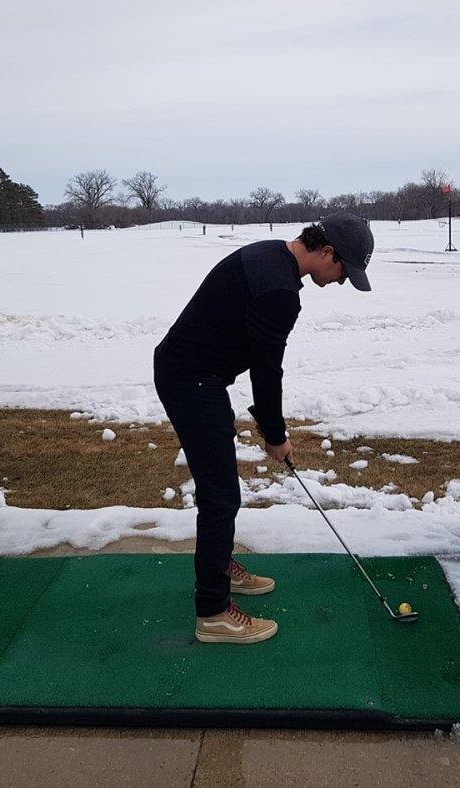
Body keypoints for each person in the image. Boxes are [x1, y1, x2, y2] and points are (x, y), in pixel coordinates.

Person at [154, 212, 374, 644]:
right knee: (221, 496)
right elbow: (267, 371)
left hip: (195, 375)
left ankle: (219, 567)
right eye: (344, 271)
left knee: (221, 490)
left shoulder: (271, 255)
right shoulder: (279, 289)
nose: (342, 280)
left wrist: (270, 427)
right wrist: (276, 436)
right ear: (326, 252)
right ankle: (213, 613)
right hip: (191, 379)